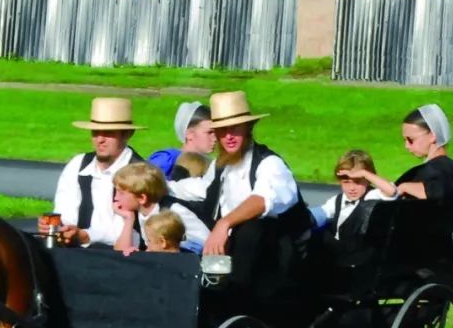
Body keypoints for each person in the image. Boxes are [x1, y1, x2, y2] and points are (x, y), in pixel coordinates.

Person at [168, 91, 313, 299]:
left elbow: (262, 200)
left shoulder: (270, 164)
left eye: (234, 129)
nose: (228, 136)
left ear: (248, 128)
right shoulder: (221, 166)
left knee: (251, 227)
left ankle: (235, 297)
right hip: (231, 255)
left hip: (276, 261)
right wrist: (158, 185)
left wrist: (224, 223)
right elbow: (201, 189)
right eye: (222, 130)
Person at [39, 97, 146, 247]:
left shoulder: (142, 174)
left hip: (122, 260)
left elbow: (134, 236)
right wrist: (57, 228)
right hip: (76, 253)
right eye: (95, 132)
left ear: (127, 134)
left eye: (108, 133)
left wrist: (85, 236)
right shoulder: (78, 165)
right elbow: (64, 213)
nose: (99, 139)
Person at [346, 104, 453, 203]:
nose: (406, 145)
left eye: (411, 140)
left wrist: (404, 187)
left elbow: (438, 193)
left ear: (432, 136)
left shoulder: (433, 171)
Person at [111, 162, 210, 254]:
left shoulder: (173, 212)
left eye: (121, 193)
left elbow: (206, 241)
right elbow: (120, 254)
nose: (115, 198)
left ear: (142, 198)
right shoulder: (135, 214)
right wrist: (129, 220)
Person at [311, 149, 397, 241]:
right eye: (346, 182)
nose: (352, 188)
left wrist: (365, 173)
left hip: (364, 247)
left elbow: (391, 191)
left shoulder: (373, 195)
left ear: (368, 180)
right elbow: (320, 213)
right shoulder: (338, 200)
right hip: (340, 248)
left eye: (357, 182)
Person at [147, 101, 217, 180]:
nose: (215, 138)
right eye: (210, 132)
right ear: (189, 134)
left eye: (216, 132)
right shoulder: (167, 160)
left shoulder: (212, 165)